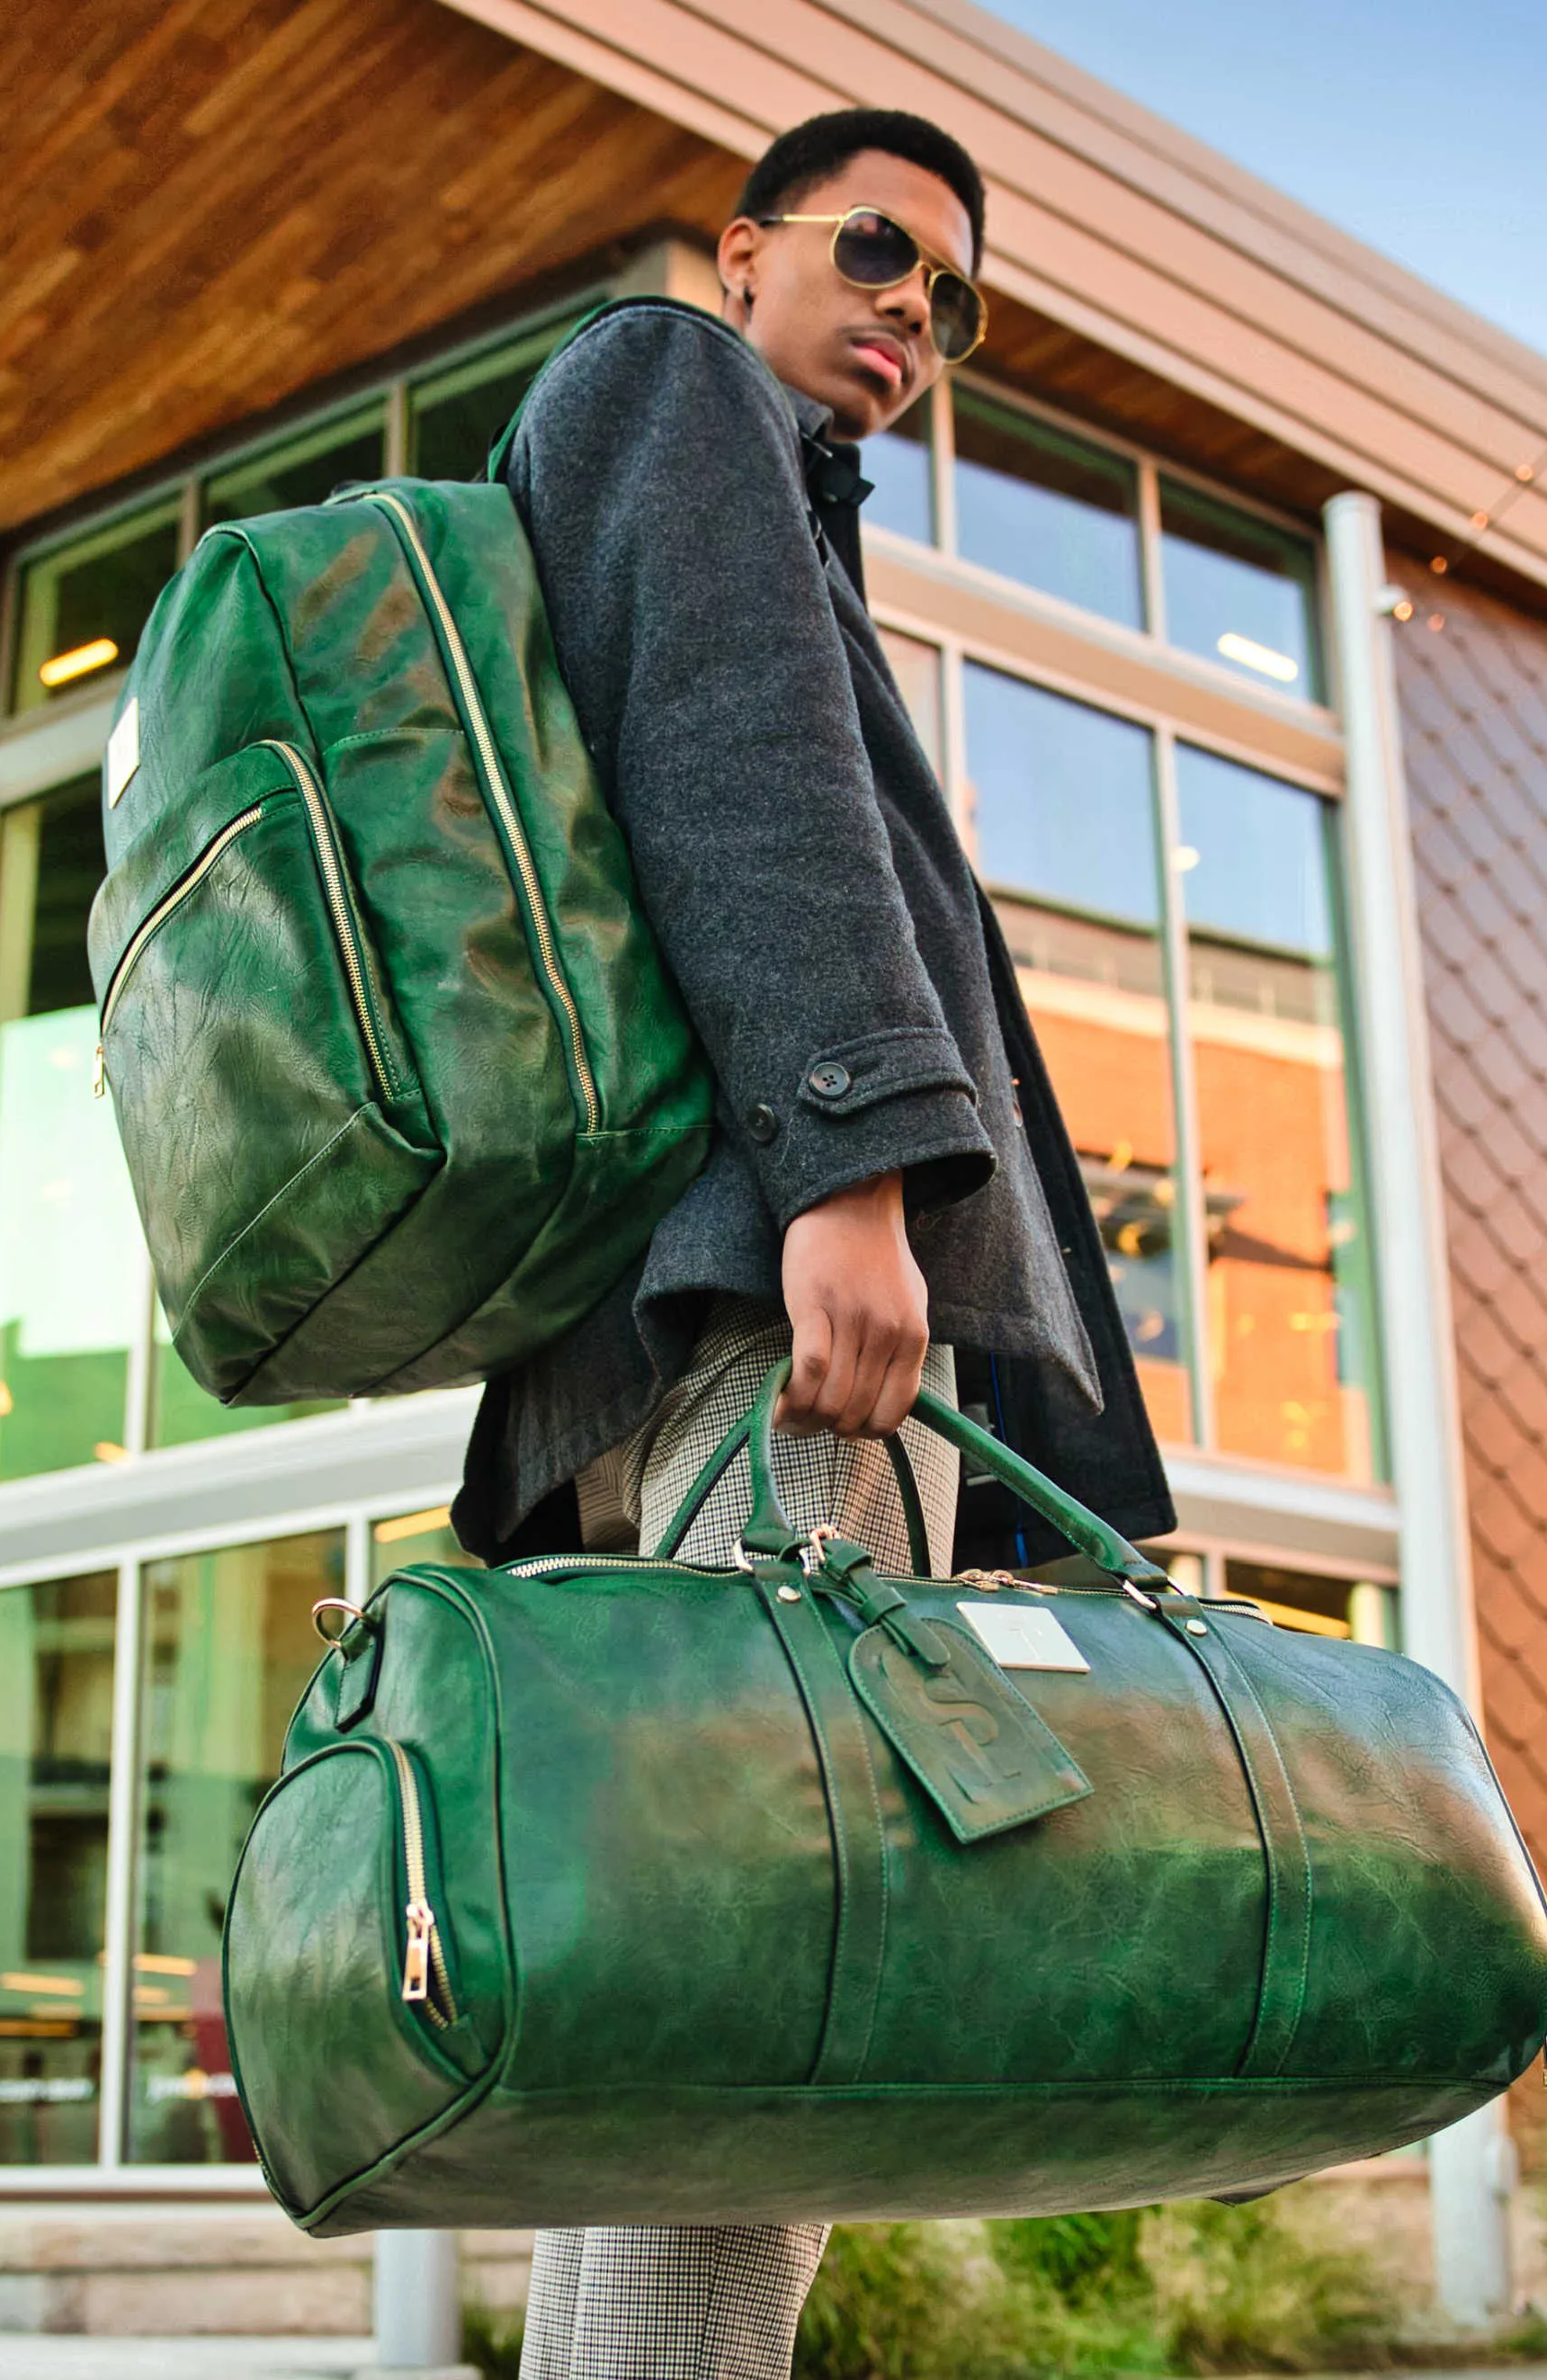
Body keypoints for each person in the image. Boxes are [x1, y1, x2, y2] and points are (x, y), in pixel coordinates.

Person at [452, 106, 1176, 2380]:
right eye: (884, 253)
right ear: (754, 246)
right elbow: (740, 756)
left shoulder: (755, 489)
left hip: (714, 1310)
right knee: (788, 1990)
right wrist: (851, 1188)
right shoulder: (675, 385)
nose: (917, 315)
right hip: (775, 1317)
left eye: (956, 300)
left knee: (704, 2002)